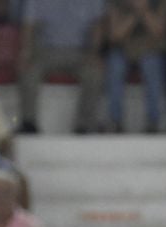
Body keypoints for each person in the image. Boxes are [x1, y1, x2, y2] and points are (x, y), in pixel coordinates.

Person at [18, 0, 105, 135]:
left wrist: (94, 52)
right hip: (46, 51)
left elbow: (97, 25)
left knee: (94, 73)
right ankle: (29, 122)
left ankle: (84, 125)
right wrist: (26, 52)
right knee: (28, 69)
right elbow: (29, 24)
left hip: (80, 52)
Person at [102, 0, 166, 134]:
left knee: (152, 65)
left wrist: (144, 10)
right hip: (122, 49)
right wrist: (135, 13)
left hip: (149, 48)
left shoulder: (158, 3)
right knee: (115, 66)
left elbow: (158, 31)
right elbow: (116, 35)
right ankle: (115, 121)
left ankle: (153, 121)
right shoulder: (116, 3)